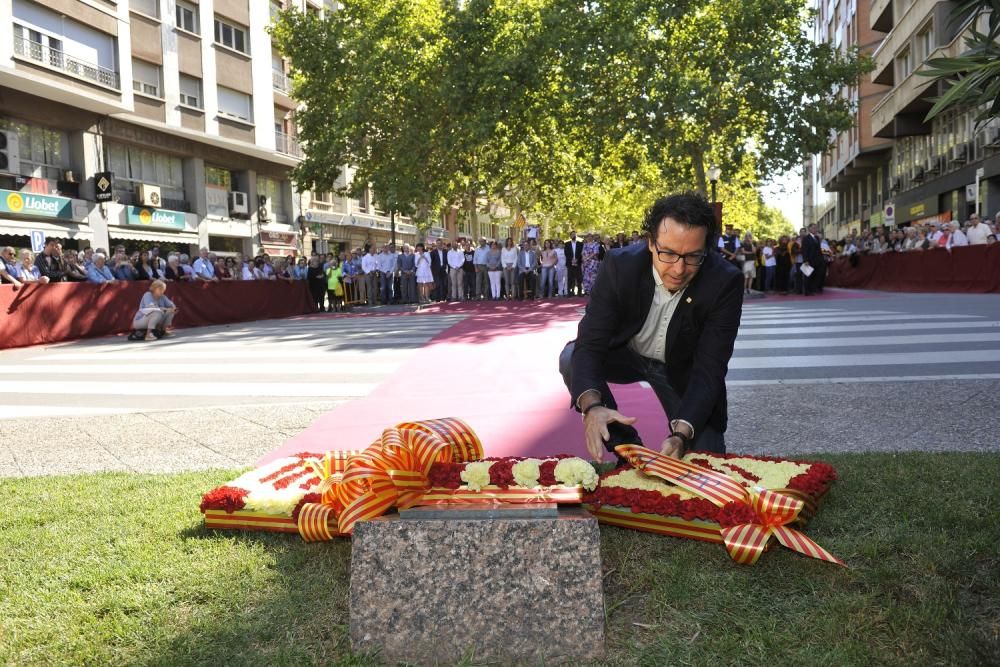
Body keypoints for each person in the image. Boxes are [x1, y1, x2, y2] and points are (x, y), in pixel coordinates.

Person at [560, 192, 742, 462]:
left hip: (682, 369)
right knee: (571, 357)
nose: (679, 269)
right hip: (625, 354)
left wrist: (680, 435)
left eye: (693, 256)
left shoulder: (725, 281)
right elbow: (591, 342)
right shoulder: (620, 266)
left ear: (707, 249)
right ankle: (628, 447)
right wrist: (593, 406)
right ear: (650, 243)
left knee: (706, 462)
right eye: (667, 253)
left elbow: (710, 369)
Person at [564, 232, 584, 296]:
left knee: (579, 278)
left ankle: (579, 292)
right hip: (570, 263)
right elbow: (566, 253)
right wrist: (571, 260)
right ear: (570, 236)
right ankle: (570, 293)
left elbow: (582, 252)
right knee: (570, 278)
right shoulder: (566, 244)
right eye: (572, 235)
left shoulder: (580, 244)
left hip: (578, 263)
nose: (574, 236)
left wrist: (577, 259)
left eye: (575, 235)